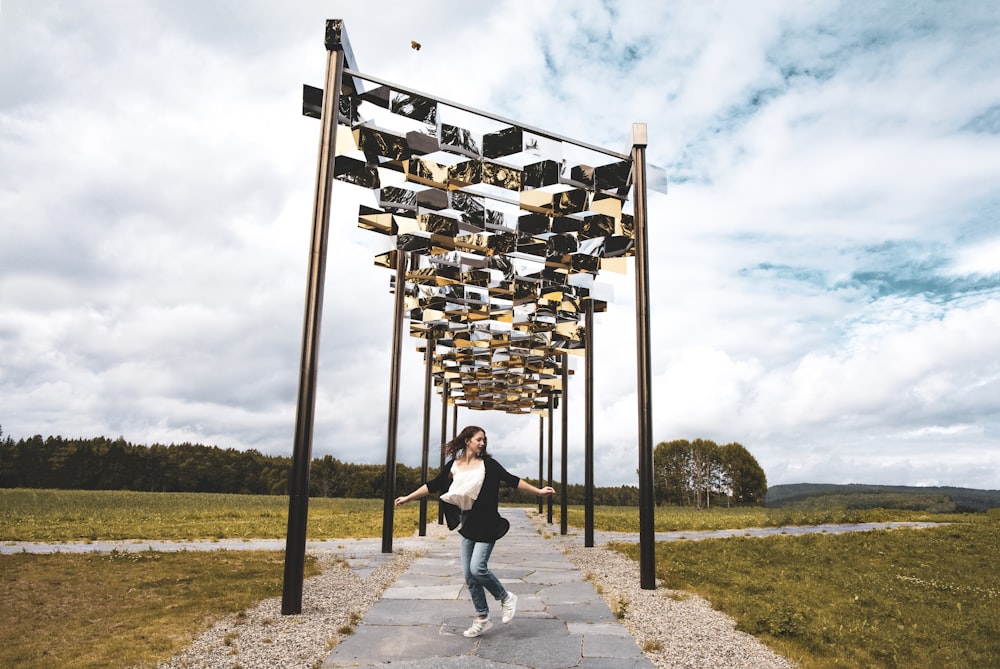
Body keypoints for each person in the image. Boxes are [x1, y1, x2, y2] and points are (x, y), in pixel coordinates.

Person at [394, 425, 556, 637]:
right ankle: (482, 617)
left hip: (487, 520)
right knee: (469, 575)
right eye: (479, 439)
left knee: (478, 568)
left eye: (484, 440)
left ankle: (506, 597)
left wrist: (539, 492)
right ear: (467, 440)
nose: (482, 443)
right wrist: (407, 498)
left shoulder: (488, 464)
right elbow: (433, 485)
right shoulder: (453, 465)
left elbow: (513, 480)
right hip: (467, 520)